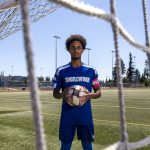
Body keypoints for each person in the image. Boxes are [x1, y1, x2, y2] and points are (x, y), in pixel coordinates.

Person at [53, 34, 101, 150]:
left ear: (83, 50)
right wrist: (62, 94)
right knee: (65, 145)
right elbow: (55, 94)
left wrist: (90, 95)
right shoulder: (61, 71)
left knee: (87, 145)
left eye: (79, 47)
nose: (76, 50)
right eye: (73, 47)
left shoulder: (91, 70)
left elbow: (98, 92)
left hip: (85, 115)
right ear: (68, 49)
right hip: (67, 115)